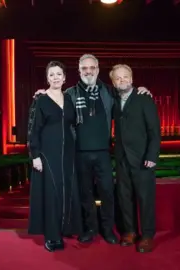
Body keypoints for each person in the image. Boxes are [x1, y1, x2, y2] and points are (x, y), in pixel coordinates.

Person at [33, 54, 152, 245]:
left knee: (107, 193)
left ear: (97, 69)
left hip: (103, 153)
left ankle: (108, 230)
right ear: (79, 71)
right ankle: (90, 229)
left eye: (92, 68)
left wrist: (141, 90)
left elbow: (127, 93)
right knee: (85, 194)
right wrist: (42, 93)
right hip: (79, 153)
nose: (88, 71)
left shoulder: (109, 91)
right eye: (84, 68)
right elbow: (53, 97)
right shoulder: (69, 93)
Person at [27, 61, 83, 252]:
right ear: (47, 78)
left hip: (67, 153)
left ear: (65, 77)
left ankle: (66, 227)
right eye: (52, 75)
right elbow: (33, 129)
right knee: (52, 194)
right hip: (47, 153)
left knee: (67, 191)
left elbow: (73, 124)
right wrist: (35, 155)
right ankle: (52, 235)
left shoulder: (69, 99)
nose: (56, 78)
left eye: (59, 74)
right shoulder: (41, 99)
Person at [111, 64, 161, 252]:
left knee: (145, 198)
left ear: (131, 79)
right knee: (124, 197)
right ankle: (130, 231)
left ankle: (147, 235)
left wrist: (152, 155)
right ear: (114, 82)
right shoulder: (113, 100)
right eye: (118, 78)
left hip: (143, 159)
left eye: (125, 77)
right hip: (122, 158)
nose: (122, 80)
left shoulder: (143, 98)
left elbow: (154, 130)